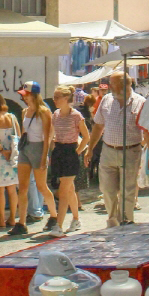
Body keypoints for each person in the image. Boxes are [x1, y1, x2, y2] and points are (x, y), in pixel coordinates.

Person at [84, 71, 145, 227]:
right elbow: (98, 126)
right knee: (107, 190)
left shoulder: (140, 102)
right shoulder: (106, 100)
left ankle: (126, 220)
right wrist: (90, 148)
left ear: (125, 84)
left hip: (130, 151)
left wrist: (145, 149)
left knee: (128, 190)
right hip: (108, 150)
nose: (110, 86)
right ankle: (112, 222)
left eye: (113, 83)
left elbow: (148, 129)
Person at [8, 81, 58, 236]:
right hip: (26, 148)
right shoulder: (25, 112)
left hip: (38, 148)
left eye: (26, 95)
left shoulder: (44, 111)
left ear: (33, 95)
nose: (24, 98)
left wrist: (45, 157)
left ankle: (54, 216)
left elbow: (47, 136)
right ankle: (21, 222)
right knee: (22, 187)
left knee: (41, 185)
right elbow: (24, 132)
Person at [49, 86, 90, 236]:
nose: (55, 100)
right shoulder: (56, 114)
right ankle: (76, 218)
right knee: (69, 188)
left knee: (64, 190)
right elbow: (52, 135)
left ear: (66, 99)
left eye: (57, 97)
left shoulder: (76, 116)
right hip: (59, 151)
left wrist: (77, 153)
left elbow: (86, 137)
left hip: (70, 151)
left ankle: (58, 225)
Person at [0, 93, 20, 230]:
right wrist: (11, 150)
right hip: (12, 155)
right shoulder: (12, 117)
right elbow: (19, 134)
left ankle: (1, 219)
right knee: (12, 189)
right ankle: (12, 217)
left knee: (0, 190)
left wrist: (1, 149)